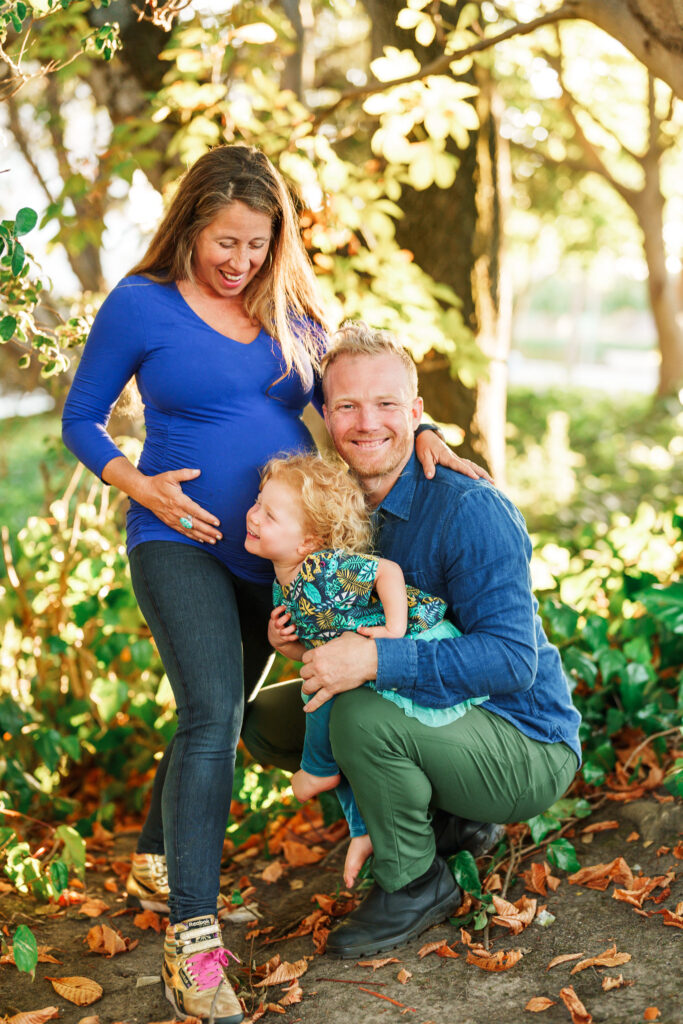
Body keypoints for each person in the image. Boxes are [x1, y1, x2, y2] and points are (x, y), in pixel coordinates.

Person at [61, 144, 489, 1023]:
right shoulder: (142, 303)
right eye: (226, 242)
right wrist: (134, 482)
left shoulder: (292, 310)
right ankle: (194, 942)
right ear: (189, 226)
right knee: (213, 711)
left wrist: (428, 430)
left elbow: (356, 387)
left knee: (215, 706)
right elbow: (81, 415)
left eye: (257, 244)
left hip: (276, 556)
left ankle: (157, 859)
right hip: (174, 536)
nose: (240, 261)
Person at [243, 320, 582, 960]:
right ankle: (435, 821)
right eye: (346, 405)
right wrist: (290, 637)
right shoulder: (337, 505)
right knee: (269, 721)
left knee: (360, 710)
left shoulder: (467, 508)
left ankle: (416, 884)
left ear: (416, 413)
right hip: (440, 717)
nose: (367, 422)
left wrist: (374, 657)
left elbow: (512, 660)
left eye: (387, 405)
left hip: (524, 738)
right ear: (326, 414)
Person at [244, 452, 489, 887]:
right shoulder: (283, 580)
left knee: (321, 702)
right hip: (357, 666)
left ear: (307, 541)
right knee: (322, 695)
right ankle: (361, 828)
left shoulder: (326, 568)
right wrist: (283, 643)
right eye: (258, 502)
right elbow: (316, 652)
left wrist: (393, 629)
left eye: (269, 513)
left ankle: (319, 770)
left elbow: (387, 571)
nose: (253, 515)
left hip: (413, 644)